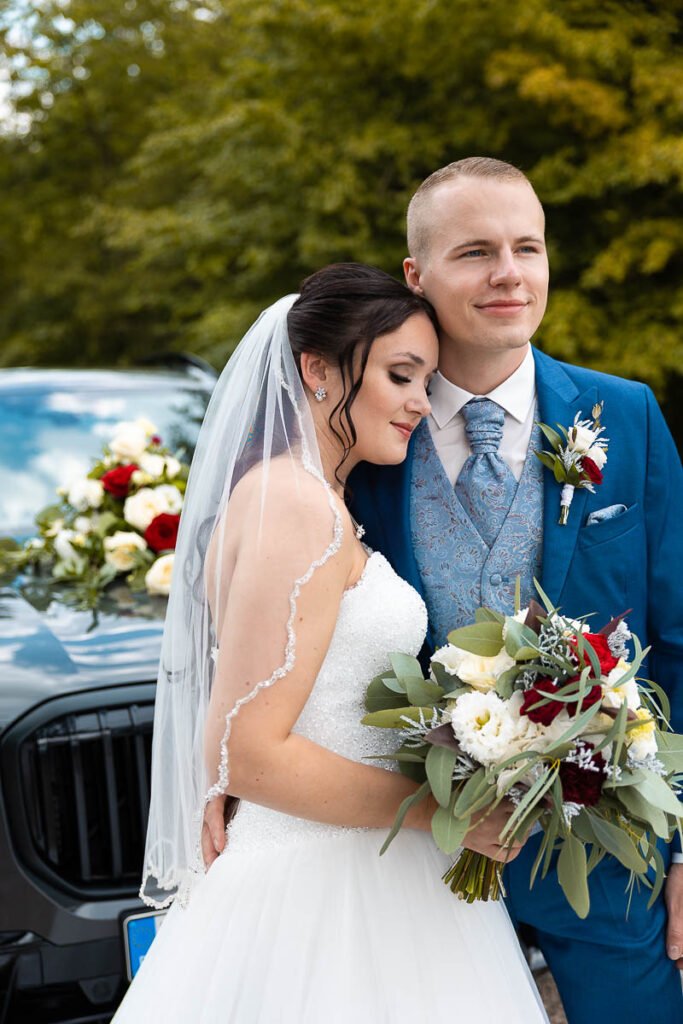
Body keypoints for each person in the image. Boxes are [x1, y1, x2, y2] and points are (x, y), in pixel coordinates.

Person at [113, 263, 549, 1023]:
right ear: (316, 369)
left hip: (370, 863)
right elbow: (248, 751)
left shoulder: (307, 496)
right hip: (320, 881)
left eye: (425, 380)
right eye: (400, 375)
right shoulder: (294, 505)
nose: (420, 402)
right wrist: (438, 813)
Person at [349, 158, 683, 1024]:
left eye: (526, 247)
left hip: (605, 858)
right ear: (416, 276)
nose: (508, 272)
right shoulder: (363, 439)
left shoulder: (626, 416)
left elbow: (679, 642)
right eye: (476, 251)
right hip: (415, 862)